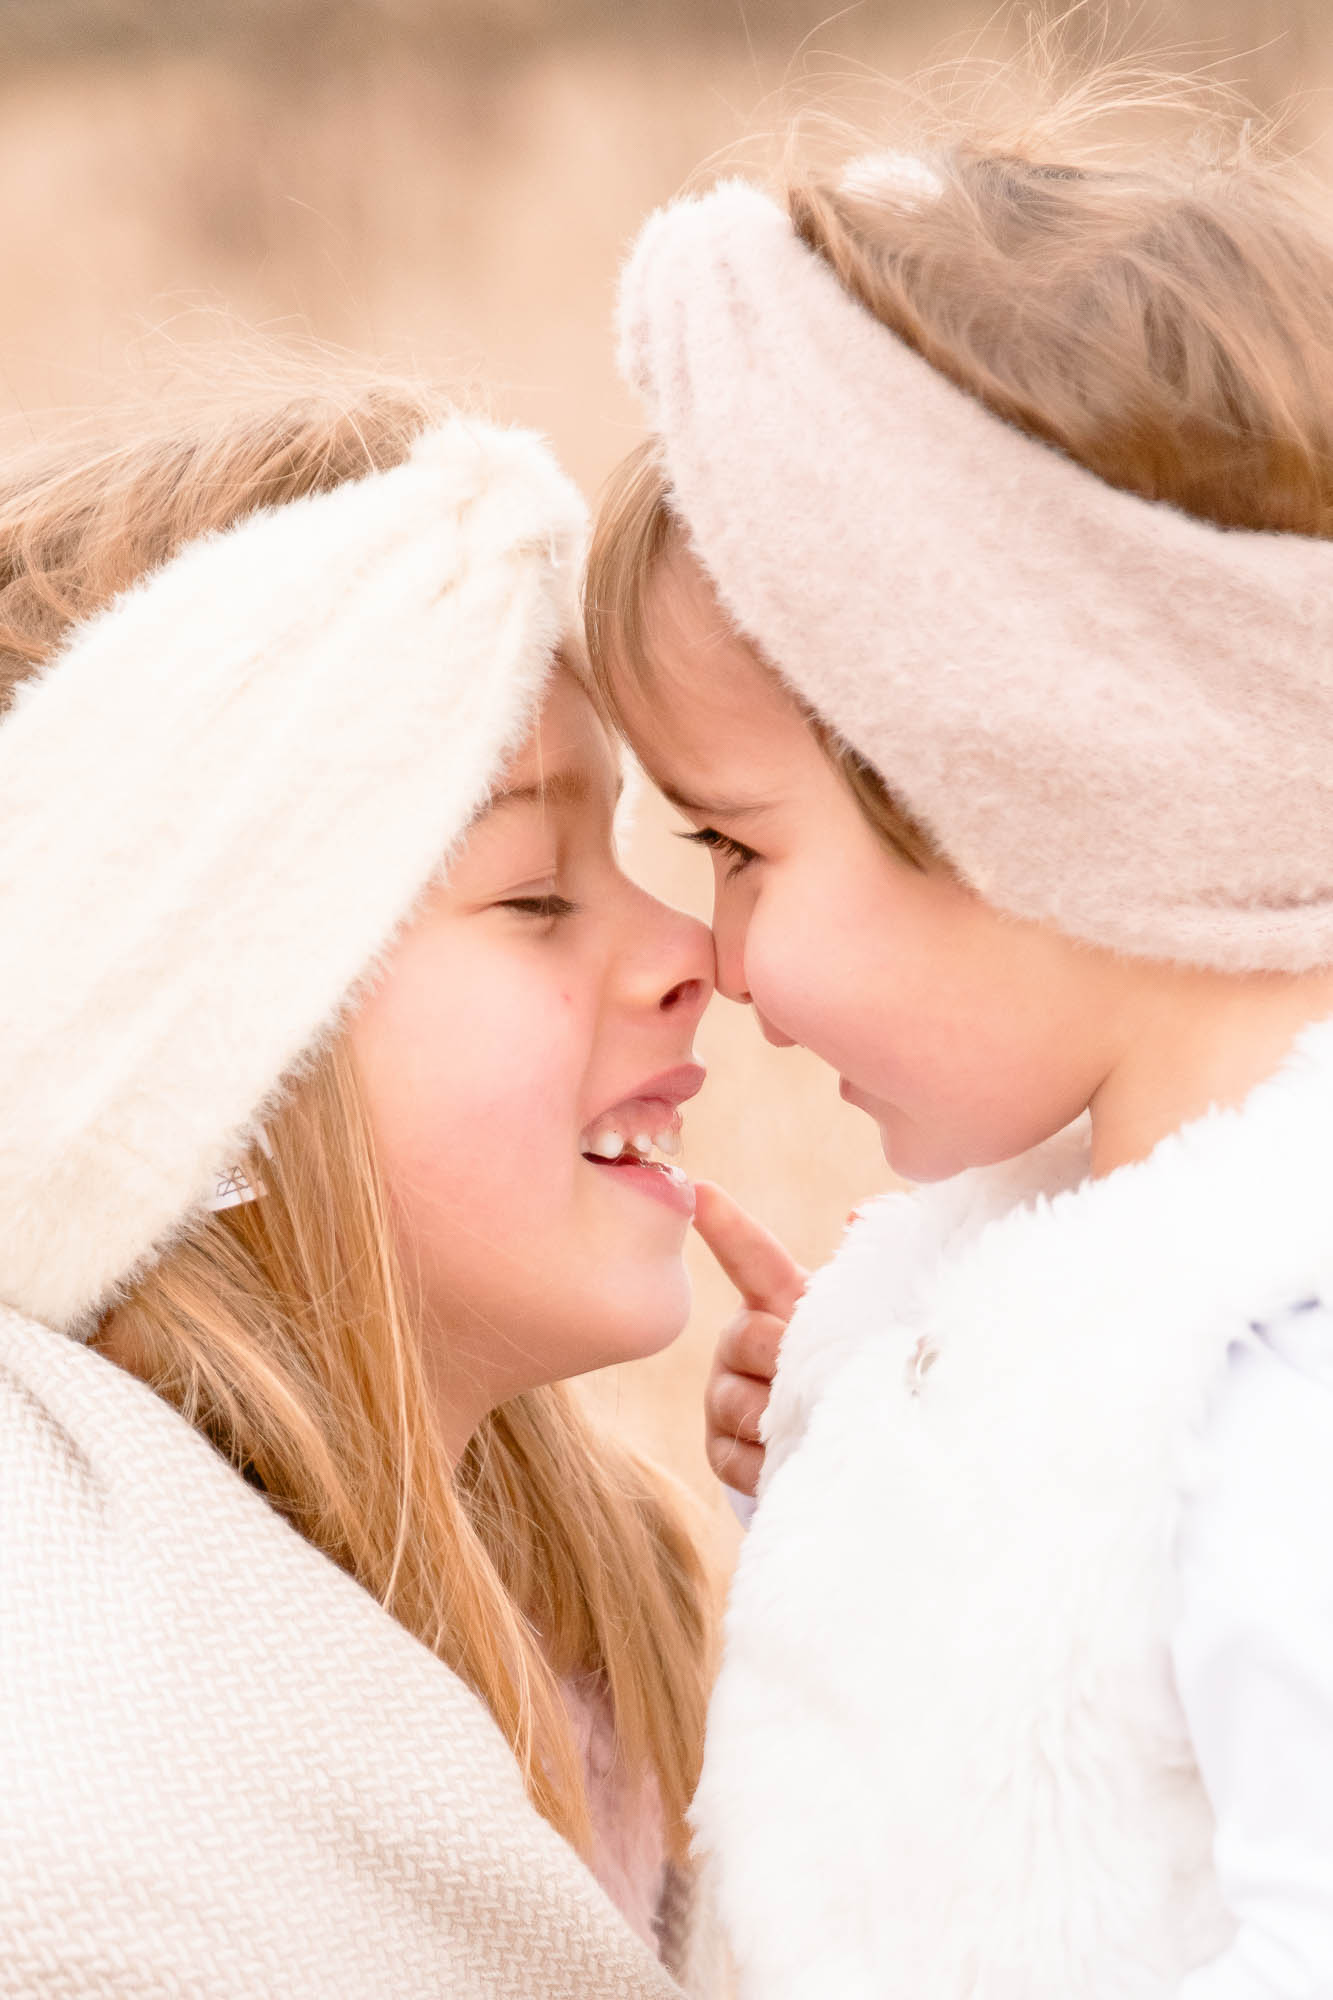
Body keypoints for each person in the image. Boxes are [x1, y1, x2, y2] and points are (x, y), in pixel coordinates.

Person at [585, 89, 1333, 1999]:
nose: (720, 960)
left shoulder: (1284, 1362)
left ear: (1021, 784)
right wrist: (848, 1462)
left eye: (739, 848)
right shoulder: (1053, 1256)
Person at [0, 378, 723, 1996]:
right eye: (539, 896)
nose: (691, 953)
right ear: (201, 1065)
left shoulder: (615, 1610)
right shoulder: (85, 1833)